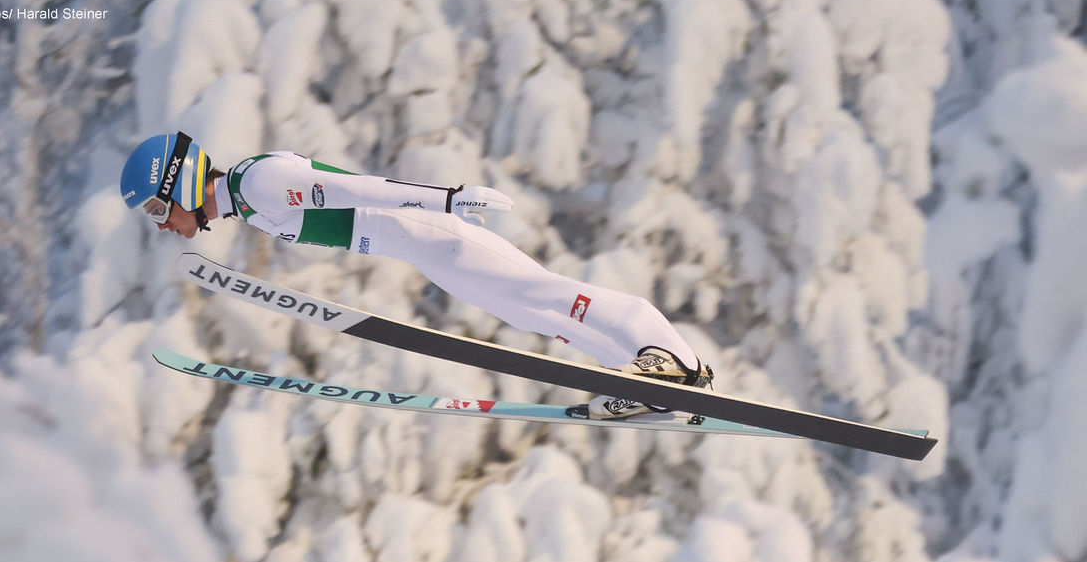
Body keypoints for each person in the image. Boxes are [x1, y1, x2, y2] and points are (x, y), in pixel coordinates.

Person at [119, 132, 713, 418]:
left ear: (179, 180)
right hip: (423, 249)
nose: (162, 223)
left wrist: (446, 200)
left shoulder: (258, 182)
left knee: (544, 294)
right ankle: (646, 380)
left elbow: (360, 188)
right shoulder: (247, 203)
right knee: (531, 313)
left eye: (155, 207)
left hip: (431, 231)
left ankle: (669, 356)